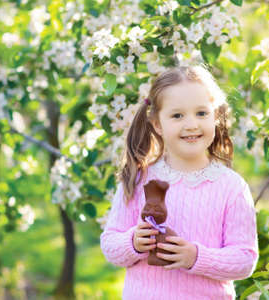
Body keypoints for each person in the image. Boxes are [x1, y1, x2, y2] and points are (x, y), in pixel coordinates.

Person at [100, 65, 259, 299]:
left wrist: (196, 257)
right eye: (177, 115)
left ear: (215, 116)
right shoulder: (141, 179)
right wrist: (132, 242)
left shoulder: (231, 187)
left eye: (202, 113)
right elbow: (110, 245)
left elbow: (245, 259)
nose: (191, 124)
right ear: (157, 124)